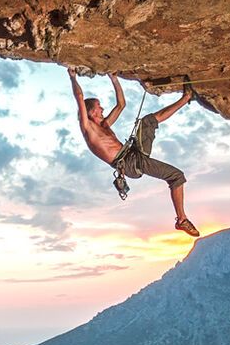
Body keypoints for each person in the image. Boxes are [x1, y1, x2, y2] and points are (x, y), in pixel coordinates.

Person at [67, 67, 199, 237]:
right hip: (130, 164)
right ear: (91, 112)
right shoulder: (88, 129)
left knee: (147, 121)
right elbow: (79, 97)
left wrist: (114, 79)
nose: (102, 109)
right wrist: (73, 78)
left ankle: (187, 97)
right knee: (176, 176)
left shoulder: (104, 126)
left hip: (132, 154)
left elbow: (122, 105)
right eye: (99, 107)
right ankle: (182, 220)